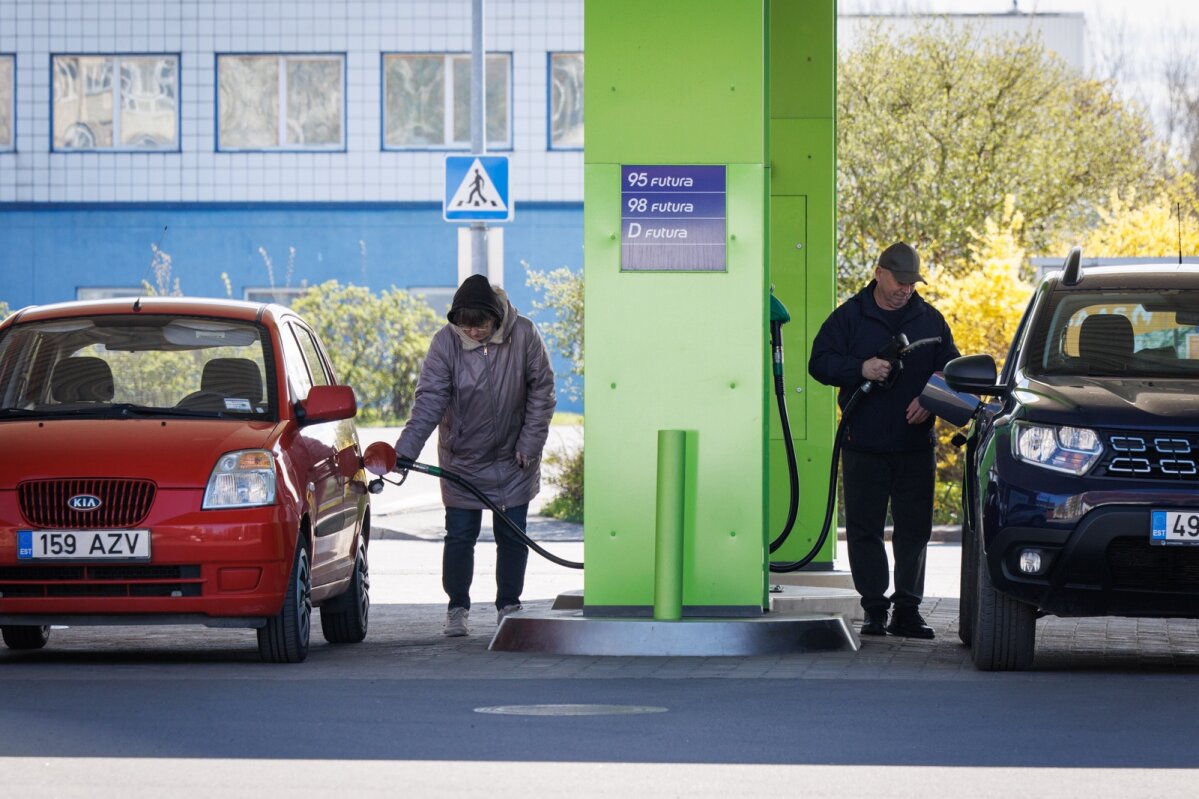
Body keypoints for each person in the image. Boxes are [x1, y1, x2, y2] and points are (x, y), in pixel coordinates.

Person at [808, 242, 959, 639]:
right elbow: (819, 362)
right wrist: (861, 367)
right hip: (864, 443)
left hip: (914, 445)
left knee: (914, 530)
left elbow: (953, 371)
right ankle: (874, 609)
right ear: (879, 273)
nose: (906, 289)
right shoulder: (850, 318)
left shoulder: (931, 321)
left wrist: (931, 398)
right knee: (864, 529)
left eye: (912, 283)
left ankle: (908, 609)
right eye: (900, 281)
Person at [395, 274, 556, 637]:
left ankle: (509, 605)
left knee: (513, 535)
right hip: (463, 460)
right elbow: (430, 402)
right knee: (459, 535)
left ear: (494, 317)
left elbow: (542, 392)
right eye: (465, 326)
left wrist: (529, 445)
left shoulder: (525, 335)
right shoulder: (445, 343)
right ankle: (457, 607)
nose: (474, 332)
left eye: (480, 325)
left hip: (515, 458)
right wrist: (404, 453)